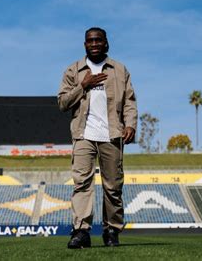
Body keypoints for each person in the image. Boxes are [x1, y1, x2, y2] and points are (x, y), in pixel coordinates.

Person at [58, 27, 137, 248]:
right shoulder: (73, 70)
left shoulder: (119, 70)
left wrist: (130, 124)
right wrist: (82, 86)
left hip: (112, 135)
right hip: (83, 135)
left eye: (98, 40)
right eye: (90, 41)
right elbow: (62, 103)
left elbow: (129, 101)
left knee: (113, 187)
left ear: (106, 43)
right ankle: (81, 231)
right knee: (82, 183)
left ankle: (111, 230)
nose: (94, 44)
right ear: (85, 44)